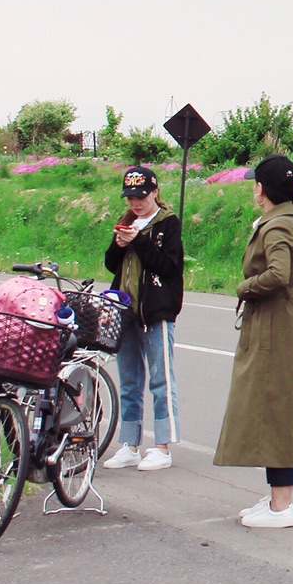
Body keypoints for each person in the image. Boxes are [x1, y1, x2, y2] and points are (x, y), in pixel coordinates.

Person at [216, 155, 293, 529]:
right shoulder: (287, 220)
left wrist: (245, 288)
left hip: (279, 323)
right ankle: (277, 495)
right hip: (284, 319)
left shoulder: (277, 226)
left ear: (263, 189)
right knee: (276, 404)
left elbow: (278, 274)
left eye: (255, 182)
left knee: (277, 407)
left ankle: (282, 504)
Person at [101, 165, 184, 471]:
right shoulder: (127, 221)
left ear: (155, 192)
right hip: (126, 311)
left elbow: (168, 267)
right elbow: (112, 266)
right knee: (129, 381)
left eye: (141, 196)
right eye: (130, 197)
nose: (135, 203)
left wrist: (138, 241)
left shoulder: (168, 223)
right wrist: (120, 244)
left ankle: (162, 445)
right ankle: (129, 444)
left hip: (156, 311)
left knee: (161, 379)